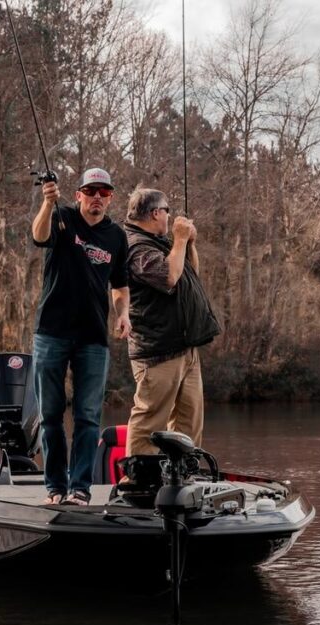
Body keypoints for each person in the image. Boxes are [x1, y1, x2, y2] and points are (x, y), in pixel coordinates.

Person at [31, 168, 131, 506]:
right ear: (79, 195)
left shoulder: (116, 236)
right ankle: (55, 488)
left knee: (88, 417)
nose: (97, 198)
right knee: (51, 415)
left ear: (110, 198)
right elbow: (38, 235)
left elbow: (119, 286)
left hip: (93, 338)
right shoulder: (61, 218)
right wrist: (47, 203)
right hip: (52, 333)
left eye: (104, 192)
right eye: (91, 191)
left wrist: (123, 313)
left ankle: (80, 490)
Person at [122, 187, 220, 459]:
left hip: (185, 347)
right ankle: (137, 481)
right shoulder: (135, 246)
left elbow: (189, 272)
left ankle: (183, 476)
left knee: (190, 422)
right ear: (155, 213)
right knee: (150, 419)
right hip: (157, 351)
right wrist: (178, 239)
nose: (170, 216)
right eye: (167, 210)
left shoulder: (159, 240)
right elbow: (168, 277)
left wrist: (188, 244)